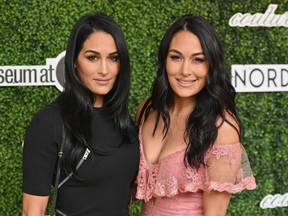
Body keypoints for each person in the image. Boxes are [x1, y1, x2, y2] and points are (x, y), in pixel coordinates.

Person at [135, 14, 256, 216]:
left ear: (211, 66)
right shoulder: (147, 109)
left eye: (198, 60)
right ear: (164, 60)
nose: (185, 70)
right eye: (176, 57)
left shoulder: (221, 127)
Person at [22, 12, 139, 216]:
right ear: (74, 61)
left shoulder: (125, 122)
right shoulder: (49, 122)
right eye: (92, 57)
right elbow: (32, 211)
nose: (104, 70)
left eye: (113, 58)